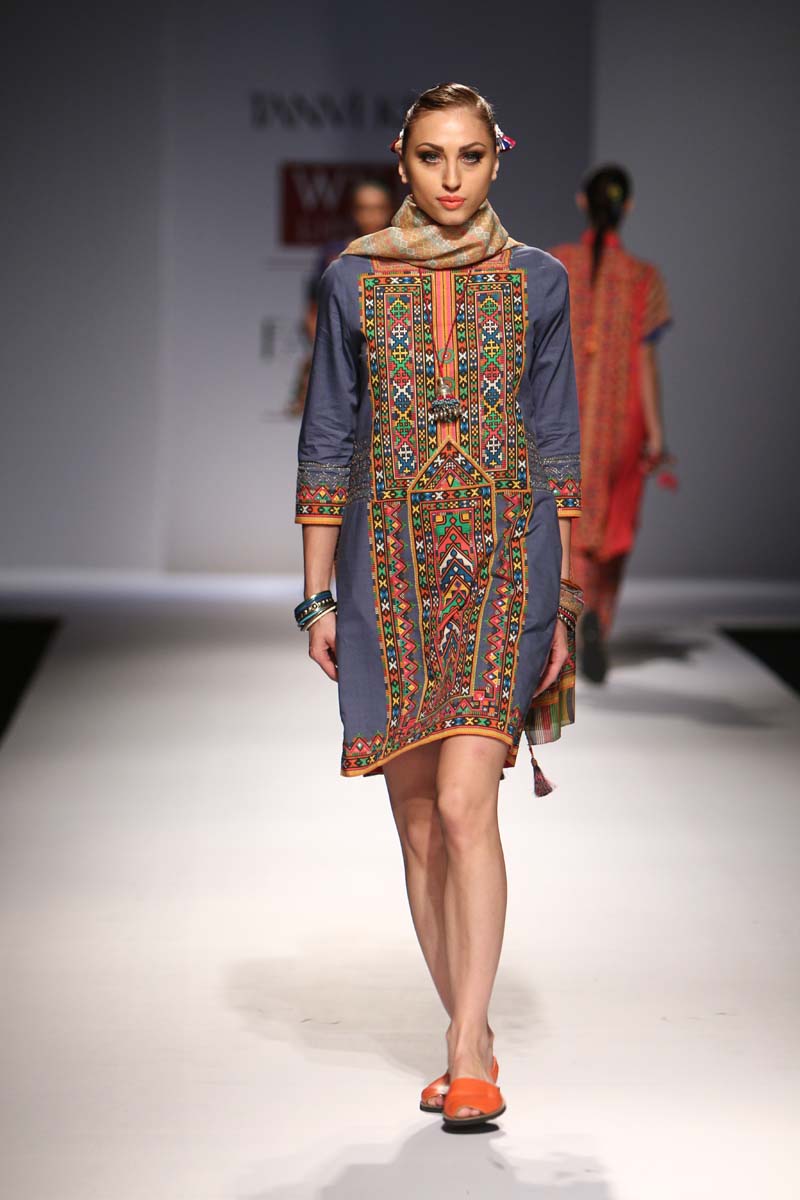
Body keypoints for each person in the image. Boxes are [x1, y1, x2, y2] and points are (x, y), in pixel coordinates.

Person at [294, 83, 582, 1127]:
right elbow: (328, 437)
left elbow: (557, 439)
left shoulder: (539, 281)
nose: (451, 178)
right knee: (417, 827)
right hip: (386, 573)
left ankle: (466, 1054)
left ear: (497, 159)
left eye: (469, 156)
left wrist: (565, 603)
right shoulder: (353, 282)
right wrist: (316, 597)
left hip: (508, 561)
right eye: (431, 156)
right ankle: (471, 1030)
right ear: (401, 159)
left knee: (466, 807)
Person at [549, 166, 672, 682]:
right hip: (624, 422)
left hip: (564, 417)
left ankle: (571, 624)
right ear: (629, 206)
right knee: (614, 523)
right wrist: (657, 435)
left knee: (568, 519)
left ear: (583, 201)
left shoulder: (556, 264)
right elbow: (646, 361)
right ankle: (599, 614)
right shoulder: (644, 277)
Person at [288, 181, 395, 416]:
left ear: (389, 210)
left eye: (378, 208)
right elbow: (314, 308)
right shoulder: (335, 256)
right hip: (341, 350)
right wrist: (323, 351)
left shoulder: (402, 255)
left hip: (390, 355)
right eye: (364, 208)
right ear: (354, 211)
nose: (371, 215)